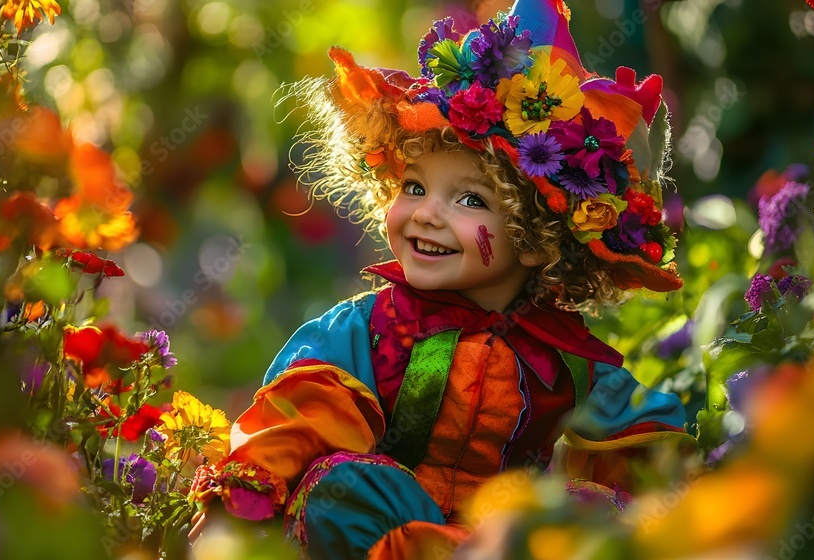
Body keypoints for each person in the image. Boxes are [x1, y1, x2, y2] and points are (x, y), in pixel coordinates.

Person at [189, 0, 693, 558]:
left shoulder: (568, 359)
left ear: (537, 237)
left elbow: (652, 448)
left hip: (499, 539)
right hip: (391, 531)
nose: (427, 213)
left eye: (470, 199)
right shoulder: (376, 328)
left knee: (584, 511)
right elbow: (300, 417)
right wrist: (237, 501)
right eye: (414, 187)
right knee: (346, 487)